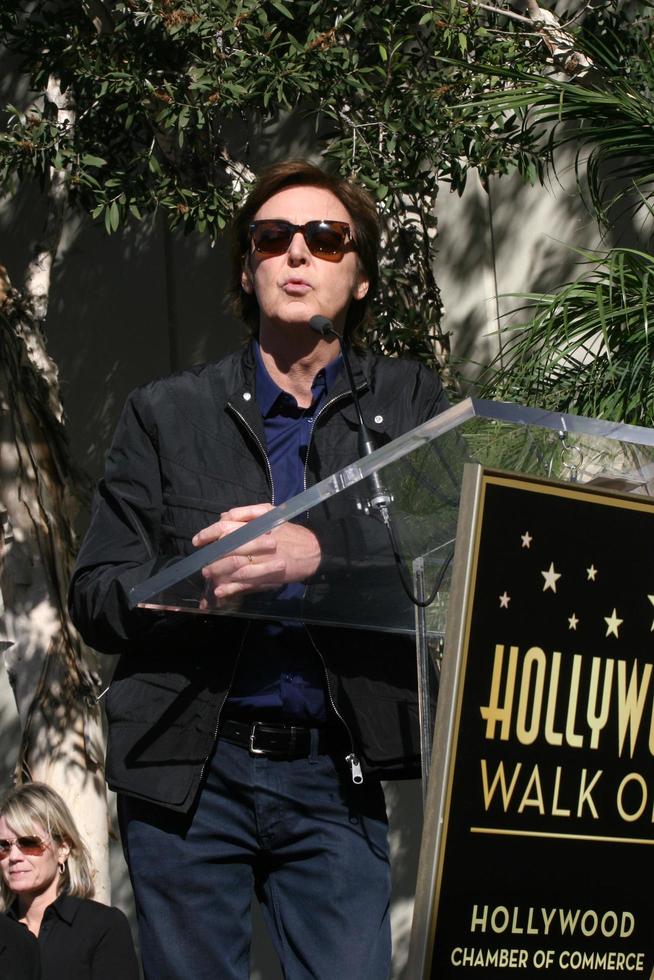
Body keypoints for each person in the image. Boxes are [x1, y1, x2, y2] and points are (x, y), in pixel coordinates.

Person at [69, 160, 449, 980]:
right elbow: (96, 595)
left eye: (326, 238)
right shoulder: (166, 412)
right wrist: (191, 579)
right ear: (248, 269)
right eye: (273, 239)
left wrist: (323, 556)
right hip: (189, 777)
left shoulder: (410, 402)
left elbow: (449, 558)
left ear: (362, 277)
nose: (297, 255)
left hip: (333, 769)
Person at [0, 782, 139, 980]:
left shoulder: (102, 926)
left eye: (28, 843)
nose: (13, 856)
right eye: (3, 846)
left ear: (63, 849)